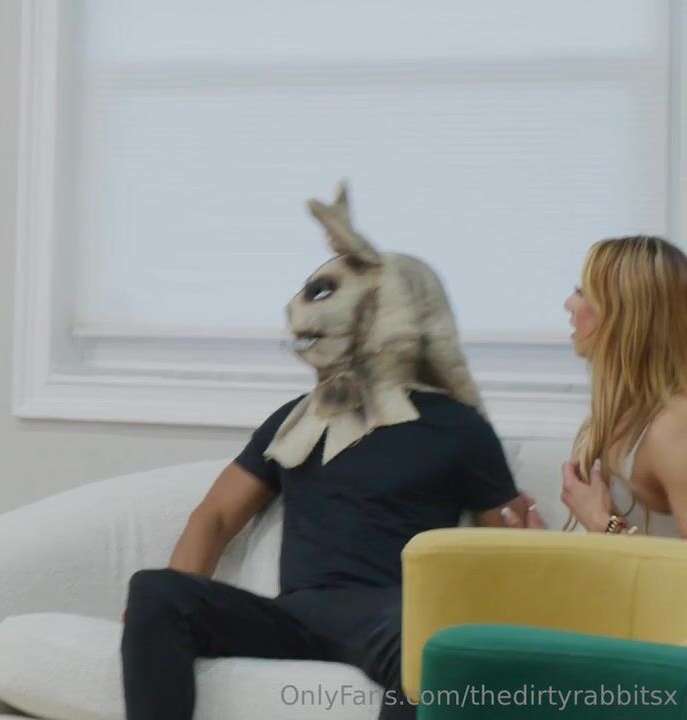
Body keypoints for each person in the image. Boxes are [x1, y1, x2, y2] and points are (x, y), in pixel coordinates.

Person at [120, 183, 539, 720]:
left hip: (391, 618)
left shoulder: (458, 428)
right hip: (293, 615)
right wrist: (173, 597)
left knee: (431, 644)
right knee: (156, 591)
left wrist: (531, 554)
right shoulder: (301, 418)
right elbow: (216, 517)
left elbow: (502, 552)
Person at [553, 236, 687, 538]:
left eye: (583, 292)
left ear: (626, 314)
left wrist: (603, 524)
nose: (569, 303)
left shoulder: (674, 428)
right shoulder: (625, 415)